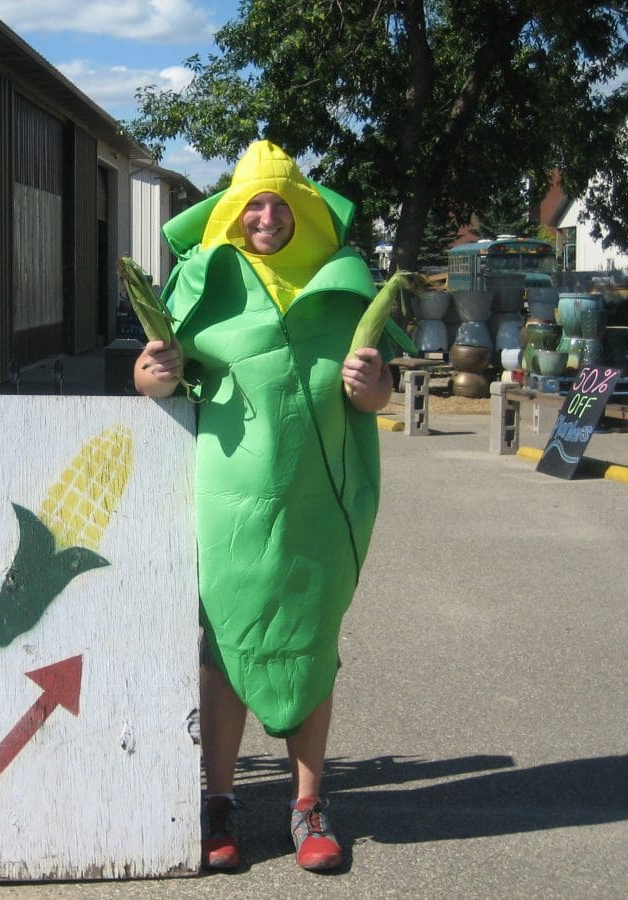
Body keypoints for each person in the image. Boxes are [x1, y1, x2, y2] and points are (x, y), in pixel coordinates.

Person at [135, 140, 397, 873]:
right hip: (231, 494)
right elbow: (158, 376)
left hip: (321, 494)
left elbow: (378, 392)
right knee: (226, 641)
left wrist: (367, 386)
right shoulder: (201, 282)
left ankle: (308, 805)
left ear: (303, 213)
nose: (267, 216)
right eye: (253, 202)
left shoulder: (341, 284)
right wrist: (152, 375)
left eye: (281, 203)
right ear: (231, 213)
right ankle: (218, 801)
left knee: (312, 638)